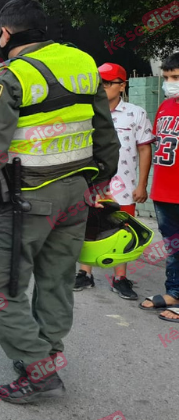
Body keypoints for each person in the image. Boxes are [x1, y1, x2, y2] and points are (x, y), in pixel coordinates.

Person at [0, 0, 120, 403]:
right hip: (77, 195)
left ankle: (39, 370)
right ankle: (47, 353)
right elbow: (106, 135)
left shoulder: (8, 77)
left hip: (26, 200)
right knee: (57, 281)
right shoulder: (83, 63)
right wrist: (99, 183)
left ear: (7, 33)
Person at [74, 63, 154, 299]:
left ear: (121, 85)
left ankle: (120, 277)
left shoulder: (135, 113)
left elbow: (144, 149)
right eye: (99, 83)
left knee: (123, 230)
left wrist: (142, 184)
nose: (102, 87)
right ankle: (84, 272)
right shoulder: (85, 112)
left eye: (107, 83)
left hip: (125, 185)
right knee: (89, 226)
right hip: (91, 185)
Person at [140, 52, 179, 321]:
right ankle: (173, 292)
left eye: (175, 77)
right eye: (166, 77)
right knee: (173, 247)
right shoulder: (166, 107)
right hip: (164, 191)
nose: (169, 83)